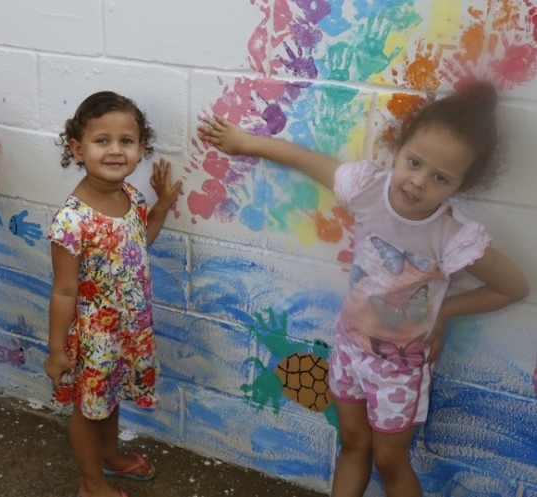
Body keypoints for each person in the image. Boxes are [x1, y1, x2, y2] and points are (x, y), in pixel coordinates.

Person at [198, 82, 529, 497]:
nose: (418, 182)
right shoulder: (366, 188)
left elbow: (513, 287)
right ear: (398, 148)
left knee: (390, 461)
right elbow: (306, 159)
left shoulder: (452, 237)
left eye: (440, 177)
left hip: (399, 369)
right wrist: (245, 142)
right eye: (413, 162)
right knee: (352, 444)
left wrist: (442, 311)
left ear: (459, 187)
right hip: (348, 348)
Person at [45, 91, 183, 497]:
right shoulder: (71, 221)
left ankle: (110, 454)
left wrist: (162, 203)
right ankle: (91, 483)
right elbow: (64, 290)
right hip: (93, 338)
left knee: (110, 396)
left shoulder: (132, 198)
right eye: (102, 140)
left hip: (128, 329)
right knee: (88, 410)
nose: (115, 150)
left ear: (141, 148)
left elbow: (142, 239)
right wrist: (56, 351)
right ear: (77, 148)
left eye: (126, 141)